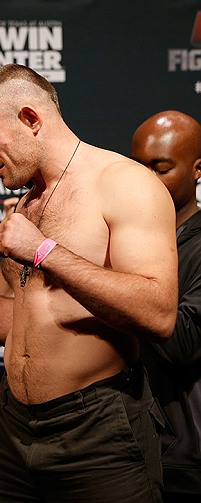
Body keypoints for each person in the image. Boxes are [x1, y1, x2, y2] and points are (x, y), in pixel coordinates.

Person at [0, 64, 178, 502]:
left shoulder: (123, 183)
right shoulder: (29, 203)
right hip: (12, 426)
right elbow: (28, 325)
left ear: (31, 119)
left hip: (96, 429)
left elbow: (158, 313)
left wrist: (44, 251)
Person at [130, 110, 201, 502]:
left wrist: (114, 288)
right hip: (123, 449)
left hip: (183, 462)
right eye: (137, 168)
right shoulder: (119, 243)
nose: (146, 181)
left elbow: (184, 342)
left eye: (160, 168)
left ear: (197, 170)